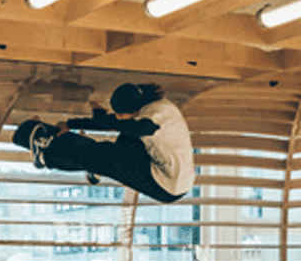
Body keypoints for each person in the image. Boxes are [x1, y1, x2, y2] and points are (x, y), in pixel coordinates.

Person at [10, 82, 193, 202]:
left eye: (121, 114)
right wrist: (101, 119)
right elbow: (117, 123)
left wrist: (70, 123)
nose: (119, 117)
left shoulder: (151, 121)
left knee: (102, 155)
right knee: (114, 146)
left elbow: (113, 125)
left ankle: (45, 155)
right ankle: (96, 166)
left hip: (166, 184)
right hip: (167, 166)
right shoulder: (150, 103)